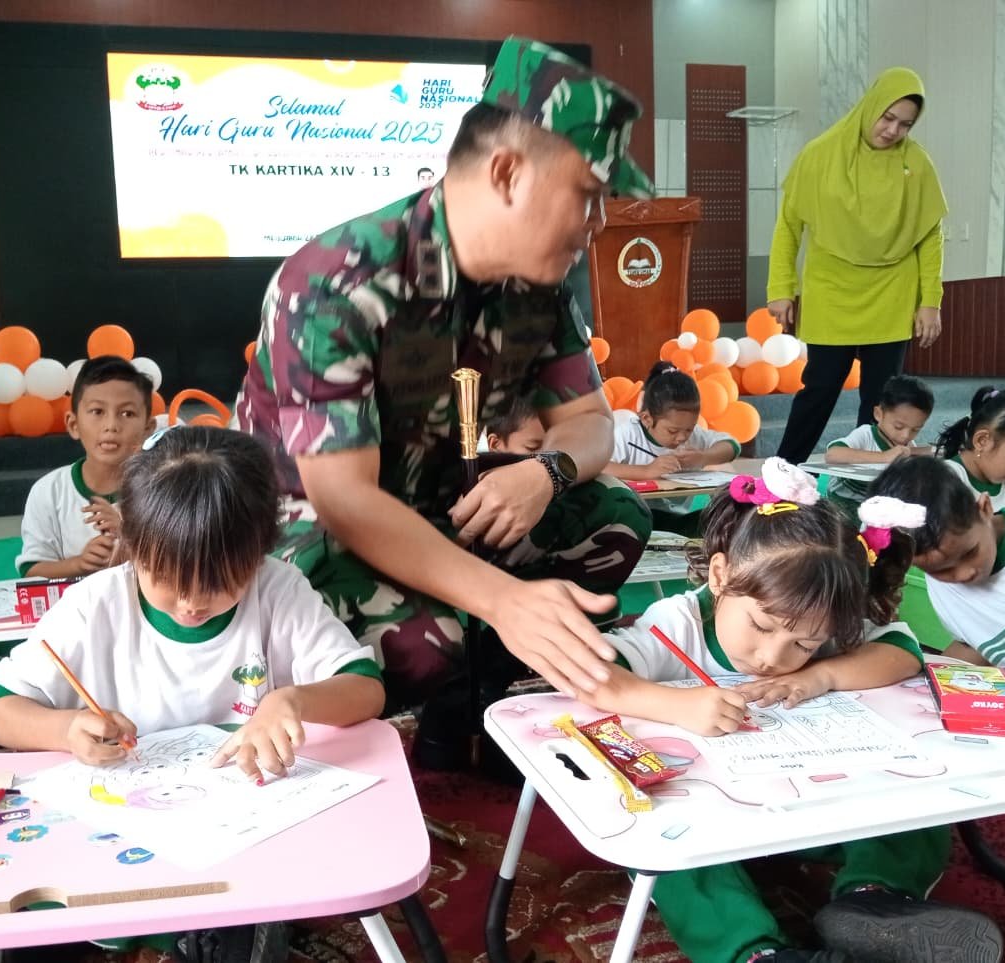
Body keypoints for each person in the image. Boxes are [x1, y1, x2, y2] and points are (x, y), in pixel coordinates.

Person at [234, 36, 655, 706]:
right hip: (309, 531)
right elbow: (343, 500)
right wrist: (503, 600)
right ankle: (457, 663)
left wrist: (543, 473)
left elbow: (591, 425)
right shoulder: (337, 281)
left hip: (432, 505)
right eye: (588, 194)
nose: (598, 223)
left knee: (615, 513)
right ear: (509, 174)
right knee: (428, 643)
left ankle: (499, 674)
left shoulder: (536, 287)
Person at [0, 427, 383, 960]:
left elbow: (365, 689)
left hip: (236, 833)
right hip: (115, 825)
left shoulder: (277, 591)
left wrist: (290, 701)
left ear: (259, 554)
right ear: (134, 545)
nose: (193, 602)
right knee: (32, 935)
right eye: (167, 577)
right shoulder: (94, 604)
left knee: (245, 931)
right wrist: (64, 728)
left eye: (221, 580)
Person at [585, 458, 1004, 963]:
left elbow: (901, 651)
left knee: (922, 801)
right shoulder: (677, 623)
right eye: (761, 627)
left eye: (804, 643)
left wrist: (819, 674)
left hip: (807, 816)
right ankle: (756, 955)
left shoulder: (817, 621)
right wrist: (674, 704)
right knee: (660, 842)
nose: (773, 657)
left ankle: (872, 904)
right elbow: (589, 672)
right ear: (721, 575)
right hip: (709, 823)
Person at [769, 68, 949, 465]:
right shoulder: (820, 154)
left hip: (891, 289)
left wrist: (930, 300)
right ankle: (781, 471)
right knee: (820, 387)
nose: (892, 131)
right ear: (871, 107)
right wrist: (780, 287)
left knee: (882, 398)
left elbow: (929, 236)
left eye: (905, 125)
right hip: (831, 287)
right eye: (887, 118)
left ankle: (875, 486)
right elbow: (789, 226)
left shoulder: (916, 164)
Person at [871, 456, 1005, 701]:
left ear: (985, 509)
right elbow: (977, 646)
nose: (963, 574)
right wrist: (923, 690)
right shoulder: (941, 576)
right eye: (940, 571)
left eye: (970, 553)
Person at [14, 356, 153, 578]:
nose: (111, 426)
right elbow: (32, 570)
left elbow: (180, 567)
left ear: (148, 428)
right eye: (98, 411)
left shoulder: (160, 491)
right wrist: (78, 564)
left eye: (127, 413)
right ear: (73, 424)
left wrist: (127, 538)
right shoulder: (49, 491)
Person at [606, 360, 740, 482]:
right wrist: (646, 471)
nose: (682, 437)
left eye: (689, 429)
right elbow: (598, 466)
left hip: (682, 506)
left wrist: (704, 457)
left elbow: (733, 446)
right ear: (647, 419)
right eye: (672, 431)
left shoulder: (693, 436)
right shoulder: (627, 434)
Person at [824, 373, 933, 516]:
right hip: (843, 502)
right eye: (899, 427)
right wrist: (884, 456)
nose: (905, 435)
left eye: (915, 430)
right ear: (878, 414)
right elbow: (832, 454)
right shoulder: (865, 434)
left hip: (877, 505)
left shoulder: (908, 446)